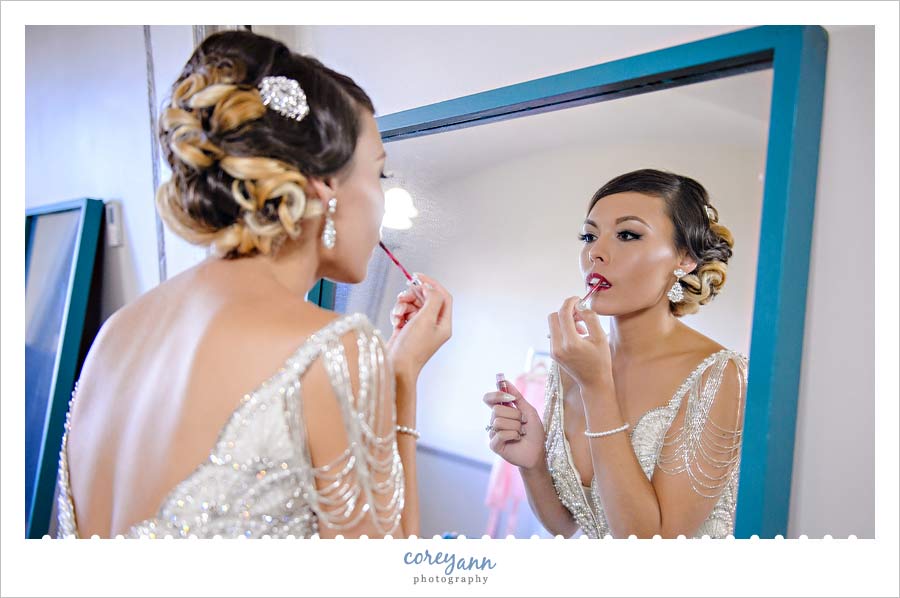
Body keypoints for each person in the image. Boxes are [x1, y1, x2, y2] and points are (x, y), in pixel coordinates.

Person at [55, 30, 452, 539]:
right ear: (326, 185)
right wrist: (401, 378)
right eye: (379, 175)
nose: (379, 199)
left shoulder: (116, 334)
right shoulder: (335, 352)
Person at [484, 169, 749, 538]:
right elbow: (565, 524)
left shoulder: (720, 375)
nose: (595, 252)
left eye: (627, 235)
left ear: (685, 258)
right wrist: (533, 464)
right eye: (589, 236)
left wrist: (596, 388)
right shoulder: (571, 367)